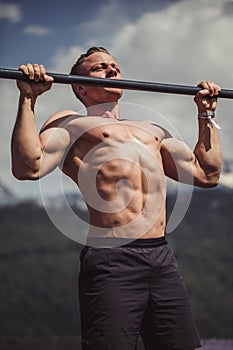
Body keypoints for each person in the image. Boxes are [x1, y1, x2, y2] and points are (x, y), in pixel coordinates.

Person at [11, 47, 222, 350]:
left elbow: (207, 174)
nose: (111, 70)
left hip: (161, 257)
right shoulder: (71, 123)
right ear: (79, 86)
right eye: (100, 68)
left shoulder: (153, 130)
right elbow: (28, 167)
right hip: (112, 259)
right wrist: (28, 98)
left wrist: (207, 112)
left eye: (114, 66)